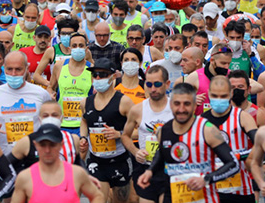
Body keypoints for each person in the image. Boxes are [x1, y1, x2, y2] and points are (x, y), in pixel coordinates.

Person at [137, 82, 240, 203]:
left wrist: (206, 179)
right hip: (173, 197)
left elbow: (233, 164)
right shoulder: (164, 131)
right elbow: (162, 155)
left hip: (203, 198)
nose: (181, 109)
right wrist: (150, 171)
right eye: (177, 104)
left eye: (186, 104)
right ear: (170, 105)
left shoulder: (207, 129)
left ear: (195, 105)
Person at [80, 58, 134, 203]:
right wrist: (83, 137)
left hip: (119, 161)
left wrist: (120, 134)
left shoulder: (124, 102)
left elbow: (139, 129)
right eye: (95, 74)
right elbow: (84, 120)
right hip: (96, 161)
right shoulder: (86, 102)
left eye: (103, 75)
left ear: (112, 76)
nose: (98, 78)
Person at [0, 51, 51, 155]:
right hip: (3, 157)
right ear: (4, 68)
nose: (13, 74)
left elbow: (51, 124)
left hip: (33, 156)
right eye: (9, 69)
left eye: (18, 69)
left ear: (27, 69)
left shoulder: (41, 94)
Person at [10, 122, 103, 203]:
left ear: (61, 145)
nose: (47, 150)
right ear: (36, 145)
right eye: (43, 145)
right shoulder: (25, 177)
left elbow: (97, 196)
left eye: (52, 145)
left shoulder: (77, 174)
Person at [201, 75, 257, 203]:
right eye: (215, 96)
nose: (219, 100)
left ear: (231, 93)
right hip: (212, 190)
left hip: (240, 189)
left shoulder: (242, 117)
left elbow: (259, 145)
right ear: (209, 93)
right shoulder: (201, 120)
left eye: (223, 96)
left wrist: (238, 156)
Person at [121, 65, 173, 203]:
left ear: (167, 84)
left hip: (170, 169)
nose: (153, 89)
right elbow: (125, 135)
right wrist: (135, 151)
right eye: (149, 84)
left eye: (157, 84)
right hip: (146, 167)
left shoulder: (175, 108)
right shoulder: (137, 110)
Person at [9, 101, 81, 172]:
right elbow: (6, 167)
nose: (50, 118)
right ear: (39, 119)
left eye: (54, 115)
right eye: (45, 116)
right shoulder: (27, 142)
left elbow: (79, 169)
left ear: (62, 118)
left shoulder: (73, 139)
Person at [49, 33, 92, 135]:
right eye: (74, 46)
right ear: (69, 49)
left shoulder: (92, 69)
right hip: (62, 123)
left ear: (86, 49)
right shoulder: (59, 66)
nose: (78, 49)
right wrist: (50, 94)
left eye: (81, 46)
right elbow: (50, 87)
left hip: (83, 124)